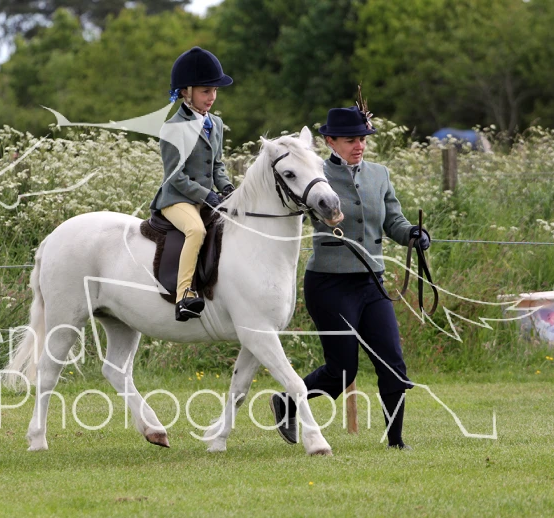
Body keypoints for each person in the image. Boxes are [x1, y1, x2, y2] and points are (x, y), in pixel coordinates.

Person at [270, 104, 430, 449]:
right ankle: (286, 402)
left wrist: (413, 234)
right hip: (329, 284)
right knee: (342, 370)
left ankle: (396, 442)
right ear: (330, 141)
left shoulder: (380, 174)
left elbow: (394, 221)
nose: (359, 146)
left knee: (392, 361)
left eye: (362, 139)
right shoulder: (315, 174)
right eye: (350, 140)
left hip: (372, 283)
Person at [149, 46, 235, 322]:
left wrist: (228, 189)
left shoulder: (216, 123)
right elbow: (175, 175)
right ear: (186, 92)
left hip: (206, 196)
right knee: (196, 230)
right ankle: (184, 294)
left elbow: (217, 164)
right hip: (177, 199)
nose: (212, 97)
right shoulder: (173, 127)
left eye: (214, 91)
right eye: (205, 91)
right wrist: (207, 195)